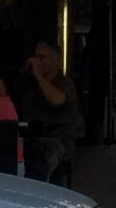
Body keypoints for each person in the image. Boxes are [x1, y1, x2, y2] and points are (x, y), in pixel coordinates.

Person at [20, 38, 82, 183]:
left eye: (42, 58)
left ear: (56, 61)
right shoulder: (29, 83)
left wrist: (39, 76)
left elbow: (56, 100)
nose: (37, 62)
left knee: (38, 157)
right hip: (31, 136)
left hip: (57, 139)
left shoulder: (64, 83)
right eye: (36, 57)